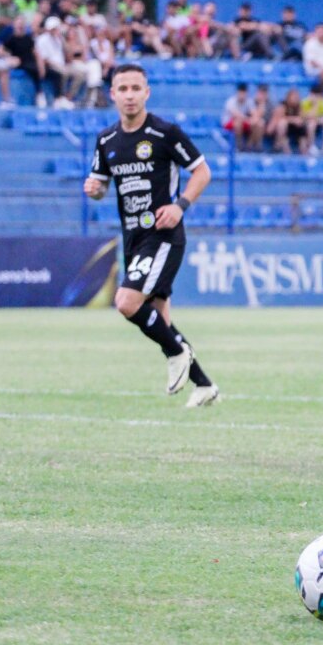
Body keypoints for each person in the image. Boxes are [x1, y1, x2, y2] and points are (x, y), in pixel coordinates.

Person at [83, 64, 219, 408]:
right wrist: (94, 190)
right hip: (133, 237)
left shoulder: (164, 133)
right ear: (112, 94)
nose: (129, 95)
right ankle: (203, 385)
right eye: (123, 89)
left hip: (163, 234)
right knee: (161, 319)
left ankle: (177, 353)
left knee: (127, 303)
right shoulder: (107, 140)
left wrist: (180, 205)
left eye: (136, 88)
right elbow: (101, 186)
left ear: (147, 93)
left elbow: (202, 171)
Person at [300, 83, 323, 155]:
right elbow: (306, 116)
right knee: (311, 125)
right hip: (307, 123)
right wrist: (315, 105)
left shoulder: (322, 102)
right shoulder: (305, 102)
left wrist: (320, 119)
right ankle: (311, 146)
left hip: (318, 121)